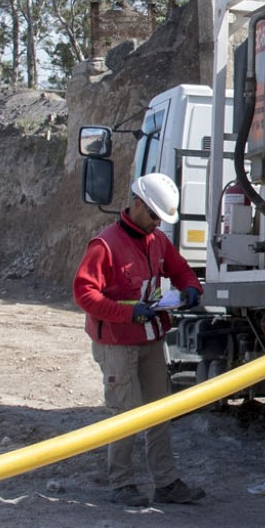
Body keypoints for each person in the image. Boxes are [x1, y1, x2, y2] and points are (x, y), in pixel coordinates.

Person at [73, 173, 206, 507]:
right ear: (137, 205)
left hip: (150, 339)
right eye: (154, 215)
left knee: (159, 411)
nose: (158, 222)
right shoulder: (105, 245)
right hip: (117, 343)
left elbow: (181, 270)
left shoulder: (157, 241)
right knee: (124, 411)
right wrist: (127, 314)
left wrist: (191, 289)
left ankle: (166, 482)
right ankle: (122, 483)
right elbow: (84, 293)